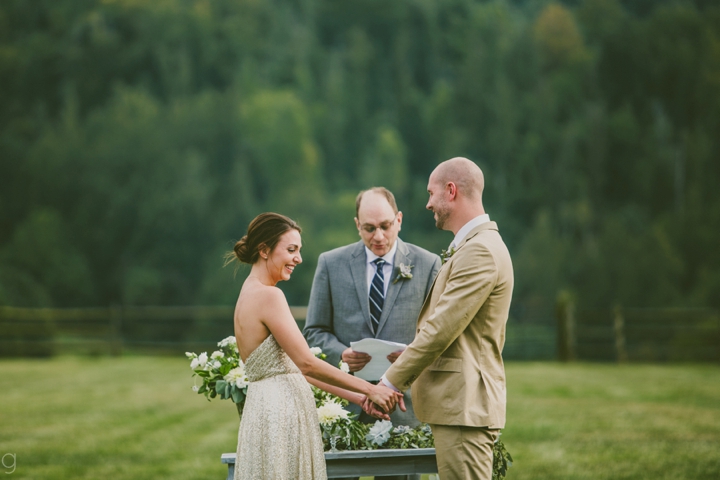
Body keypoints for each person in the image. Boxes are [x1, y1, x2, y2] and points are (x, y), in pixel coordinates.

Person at [231, 212, 404, 480]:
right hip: (280, 414)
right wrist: (371, 389)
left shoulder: (248, 292)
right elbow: (307, 364)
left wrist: (359, 398)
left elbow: (294, 370)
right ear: (264, 250)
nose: (298, 258)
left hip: (263, 411)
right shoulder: (269, 296)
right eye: (291, 250)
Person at [381, 158, 514, 480]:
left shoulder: (479, 251)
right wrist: (414, 354)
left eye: (431, 193)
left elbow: (441, 328)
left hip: (464, 406)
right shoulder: (472, 246)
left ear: (451, 191)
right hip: (458, 406)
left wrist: (389, 382)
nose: (428, 204)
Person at [304, 187, 441, 480]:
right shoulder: (331, 263)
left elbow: (437, 332)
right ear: (357, 225)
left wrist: (412, 355)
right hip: (344, 406)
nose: (378, 236)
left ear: (399, 220)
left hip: (402, 406)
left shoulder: (428, 264)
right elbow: (314, 332)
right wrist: (341, 353)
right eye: (369, 228)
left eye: (385, 226)